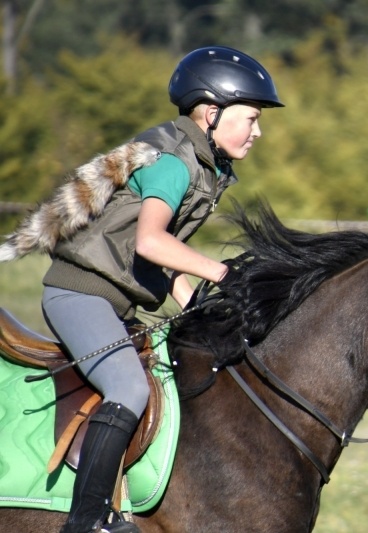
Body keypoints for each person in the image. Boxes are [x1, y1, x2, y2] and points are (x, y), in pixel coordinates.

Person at [35, 45, 283, 533]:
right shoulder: (173, 162)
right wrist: (224, 275)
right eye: (251, 118)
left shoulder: (199, 163)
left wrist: (198, 308)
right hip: (79, 295)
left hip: (113, 301)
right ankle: (86, 520)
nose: (257, 132)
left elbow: (162, 259)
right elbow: (150, 242)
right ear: (211, 114)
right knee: (128, 385)